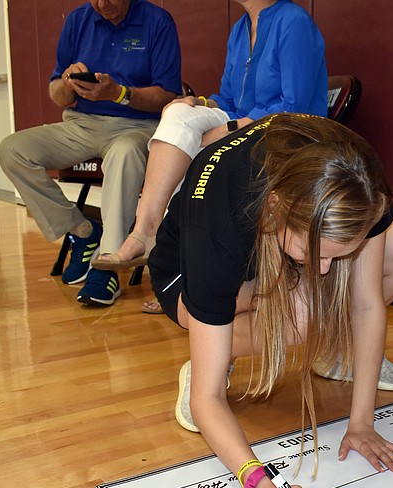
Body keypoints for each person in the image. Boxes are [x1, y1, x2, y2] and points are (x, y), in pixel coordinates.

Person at [148, 113, 393, 488]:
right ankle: (212, 356)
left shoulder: (360, 184)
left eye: (337, 255)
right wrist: (261, 487)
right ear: (276, 208)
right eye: (316, 253)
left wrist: (361, 422)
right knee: (300, 313)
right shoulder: (219, 225)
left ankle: (333, 351)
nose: (324, 270)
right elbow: (208, 400)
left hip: (274, 252)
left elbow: (366, 303)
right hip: (185, 275)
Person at [93, 0, 327, 315]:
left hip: (285, 136)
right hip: (245, 129)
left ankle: (177, 272)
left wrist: (229, 129)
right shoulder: (240, 29)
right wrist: (198, 103)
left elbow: (293, 107)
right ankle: (147, 231)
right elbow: (228, 99)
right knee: (178, 115)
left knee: (197, 154)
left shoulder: (293, 21)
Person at [0, 0, 181, 306]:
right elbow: (58, 96)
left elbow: (167, 95)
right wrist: (68, 83)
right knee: (12, 150)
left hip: (137, 126)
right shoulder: (77, 20)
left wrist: (119, 94)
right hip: (81, 124)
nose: (101, 4)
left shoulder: (158, 21)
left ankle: (108, 264)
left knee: (124, 153)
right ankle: (83, 231)